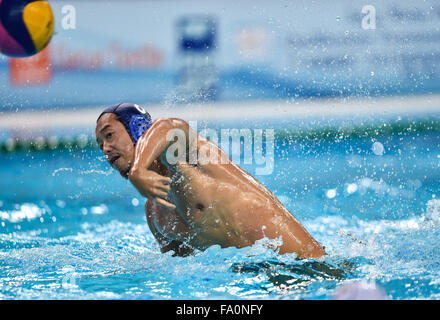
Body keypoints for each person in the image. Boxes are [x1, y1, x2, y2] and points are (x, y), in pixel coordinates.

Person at [95, 102, 326, 258]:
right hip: (256, 283)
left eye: (109, 135)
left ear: (138, 128)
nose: (105, 149)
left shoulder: (186, 157)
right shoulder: (156, 213)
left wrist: (138, 170)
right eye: (100, 144)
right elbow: (178, 275)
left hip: (310, 267)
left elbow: (169, 126)